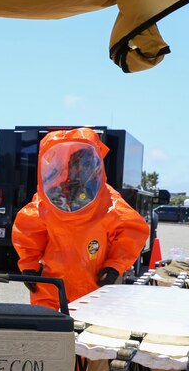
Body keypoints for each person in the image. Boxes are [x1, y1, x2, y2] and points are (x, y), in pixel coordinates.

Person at [12, 127, 150, 310]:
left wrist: (115, 266)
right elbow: (28, 230)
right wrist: (29, 265)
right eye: (76, 163)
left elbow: (132, 232)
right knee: (47, 330)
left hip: (92, 283)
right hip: (51, 284)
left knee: (87, 332)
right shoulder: (51, 198)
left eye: (86, 164)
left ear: (95, 166)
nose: (80, 169)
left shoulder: (108, 201)